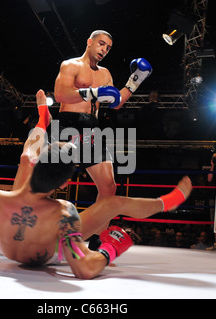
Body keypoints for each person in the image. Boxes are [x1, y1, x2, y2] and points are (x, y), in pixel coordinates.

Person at [0, 90, 192, 280]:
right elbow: (83, 268)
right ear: (64, 182)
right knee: (114, 203)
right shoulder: (64, 213)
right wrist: (109, 249)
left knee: (23, 157)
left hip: (10, 242)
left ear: (41, 162)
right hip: (51, 247)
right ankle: (168, 202)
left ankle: (44, 120)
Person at [54, 30, 153, 248]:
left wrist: (134, 81)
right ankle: (17, 230)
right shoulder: (70, 65)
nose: (104, 50)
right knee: (51, 182)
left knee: (109, 186)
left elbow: (115, 102)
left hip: (92, 126)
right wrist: (95, 93)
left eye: (108, 48)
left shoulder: (105, 73)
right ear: (89, 42)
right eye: (101, 44)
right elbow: (61, 95)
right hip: (67, 124)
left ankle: (96, 239)